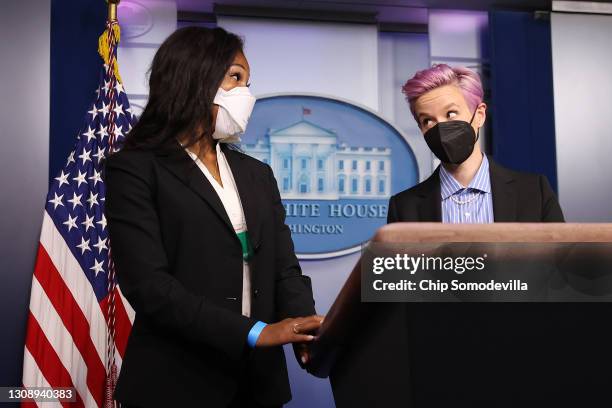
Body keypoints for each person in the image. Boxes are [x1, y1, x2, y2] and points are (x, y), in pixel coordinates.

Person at [104, 27, 323, 408]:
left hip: (258, 385)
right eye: (235, 78)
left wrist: (305, 328)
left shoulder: (257, 174)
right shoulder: (135, 168)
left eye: (248, 82)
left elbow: (284, 268)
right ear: (195, 76)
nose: (246, 94)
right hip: (176, 382)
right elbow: (148, 285)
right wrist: (255, 332)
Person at [387, 64, 564, 223]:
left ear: (479, 115)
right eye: (428, 121)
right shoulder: (403, 209)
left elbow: (561, 258)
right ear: (421, 128)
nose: (440, 127)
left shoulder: (534, 193)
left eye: (451, 114)